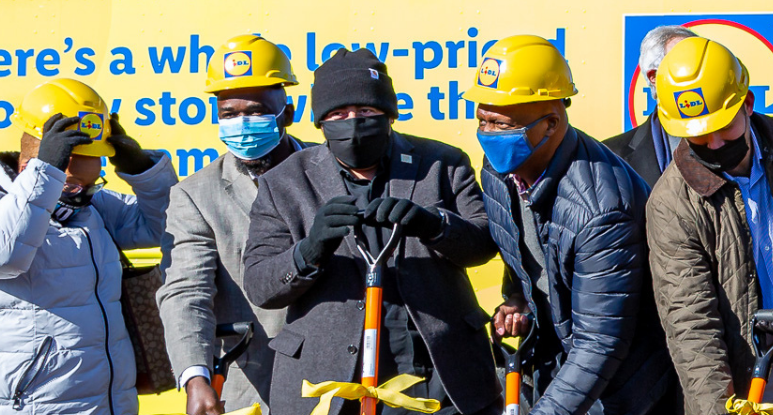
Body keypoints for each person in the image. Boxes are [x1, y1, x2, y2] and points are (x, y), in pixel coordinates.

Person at [242, 49, 500, 415]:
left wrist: (435, 225)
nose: (353, 123)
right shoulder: (284, 181)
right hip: (328, 386)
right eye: (339, 115)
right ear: (320, 122)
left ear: (389, 114)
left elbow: (482, 244)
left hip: (436, 377)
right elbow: (260, 285)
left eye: (366, 112)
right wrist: (309, 250)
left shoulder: (442, 163)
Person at [467, 35, 679, 415]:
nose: (487, 136)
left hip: (627, 388)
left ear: (550, 124)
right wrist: (518, 295)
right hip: (564, 364)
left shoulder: (601, 206)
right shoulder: (501, 172)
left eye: (500, 125)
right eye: (482, 120)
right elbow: (526, 245)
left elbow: (601, 341)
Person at [645, 36, 773, 415]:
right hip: (735, 392)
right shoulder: (670, 203)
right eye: (699, 135)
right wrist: (719, 409)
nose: (715, 142)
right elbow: (691, 324)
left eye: (724, 126)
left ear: (748, 103)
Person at [0, 78, 175, 414]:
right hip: (33, 404)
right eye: (74, 185)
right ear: (35, 167)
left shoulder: (90, 206)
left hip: (106, 403)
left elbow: (167, 226)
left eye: (93, 184)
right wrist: (47, 176)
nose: (84, 195)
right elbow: (4, 255)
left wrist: (143, 170)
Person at [158, 34, 309, 415]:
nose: (242, 122)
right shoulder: (196, 195)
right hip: (255, 384)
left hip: (342, 377)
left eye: (256, 110)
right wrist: (196, 377)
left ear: (286, 114)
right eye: (229, 113)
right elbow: (186, 292)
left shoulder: (328, 170)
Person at [606, 25, 700, 185]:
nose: (700, 71)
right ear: (654, 77)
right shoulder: (611, 158)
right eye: (685, 63)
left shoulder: (747, 135)